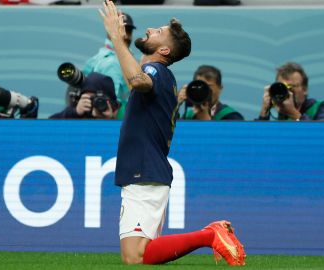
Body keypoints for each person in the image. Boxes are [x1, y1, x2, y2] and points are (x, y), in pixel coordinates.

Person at [99, 0, 245, 266]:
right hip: (146, 172)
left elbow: (138, 80)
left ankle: (209, 235)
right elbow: (137, 74)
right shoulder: (163, 76)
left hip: (144, 171)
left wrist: (117, 41)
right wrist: (121, 42)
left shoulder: (155, 71)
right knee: (141, 255)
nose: (151, 29)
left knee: (135, 256)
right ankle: (209, 234)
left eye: (159, 31)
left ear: (164, 50)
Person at [83, 12, 136, 120]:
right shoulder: (113, 63)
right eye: (121, 29)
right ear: (109, 31)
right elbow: (111, 107)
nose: (125, 35)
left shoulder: (98, 57)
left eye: (128, 30)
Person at [257, 62, 324, 121]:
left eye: (291, 87)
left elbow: (323, 137)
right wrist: (264, 113)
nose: (288, 93)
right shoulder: (281, 117)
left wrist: (294, 114)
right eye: (283, 88)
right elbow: (255, 140)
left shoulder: (320, 108)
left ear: (305, 89)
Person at [178, 65, 244, 120]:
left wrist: (205, 120)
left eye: (208, 86)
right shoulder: (189, 115)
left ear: (220, 88)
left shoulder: (232, 117)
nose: (203, 91)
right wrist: (176, 104)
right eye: (199, 87)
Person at [49, 72, 120, 119]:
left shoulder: (125, 119)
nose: (94, 103)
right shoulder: (78, 116)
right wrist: (75, 112)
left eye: (98, 99)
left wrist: (108, 120)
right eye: (90, 99)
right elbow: (48, 126)